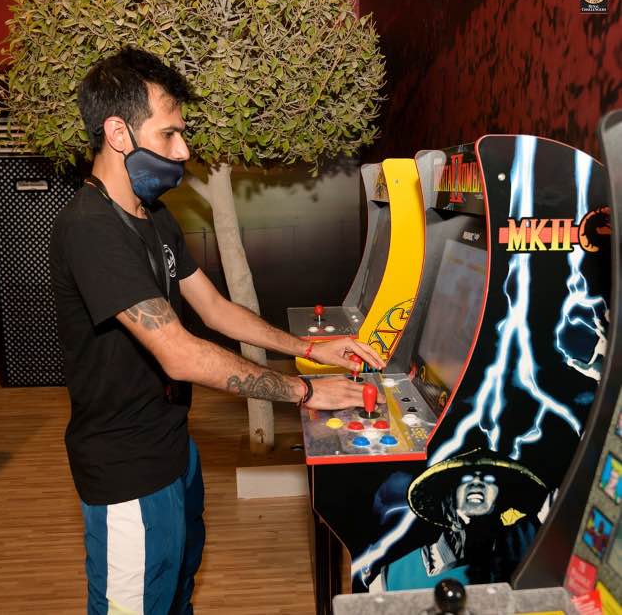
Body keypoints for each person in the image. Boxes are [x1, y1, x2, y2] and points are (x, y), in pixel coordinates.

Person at [49, 46, 385, 614]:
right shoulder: (90, 229)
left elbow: (215, 309)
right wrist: (304, 391)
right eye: (169, 135)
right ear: (117, 132)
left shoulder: (152, 216)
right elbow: (178, 353)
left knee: (178, 592)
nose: (183, 151)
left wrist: (311, 350)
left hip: (173, 448)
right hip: (125, 468)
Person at [381, 448, 547, 589]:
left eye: (489, 479)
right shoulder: (394, 575)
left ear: (501, 497)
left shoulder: (521, 550)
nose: (477, 482)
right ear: (448, 494)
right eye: (465, 478)